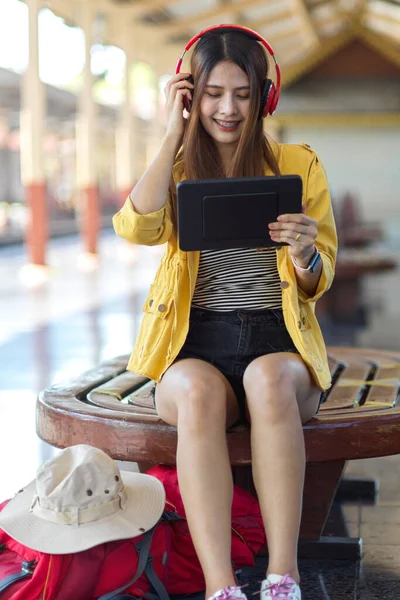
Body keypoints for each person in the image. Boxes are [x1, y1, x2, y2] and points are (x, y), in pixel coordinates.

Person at [113, 24, 337, 600]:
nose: (228, 108)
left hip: (278, 343)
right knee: (197, 394)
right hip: (194, 345)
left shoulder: (298, 164)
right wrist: (172, 134)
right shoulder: (178, 168)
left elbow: (318, 278)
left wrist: (306, 253)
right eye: (212, 93)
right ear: (191, 95)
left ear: (265, 95)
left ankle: (282, 578)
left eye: (242, 93)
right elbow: (135, 227)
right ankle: (221, 589)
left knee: (267, 379)